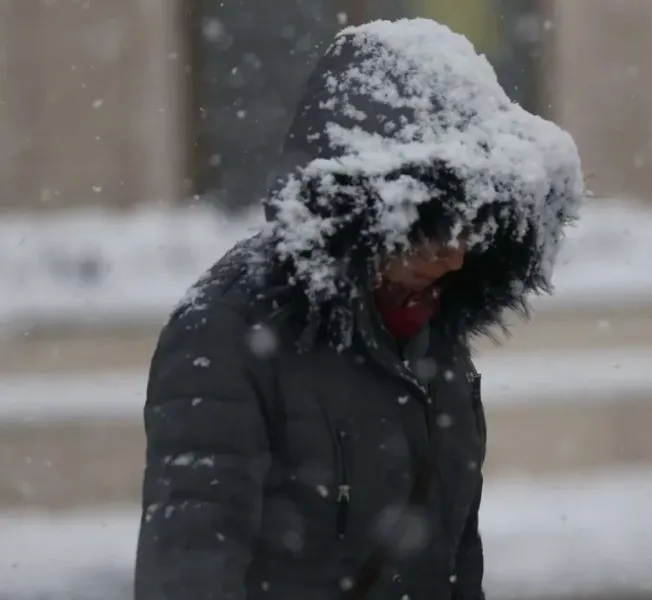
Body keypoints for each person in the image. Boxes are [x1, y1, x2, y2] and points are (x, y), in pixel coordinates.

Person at [134, 17, 583, 600]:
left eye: (472, 226)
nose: (452, 256)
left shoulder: (432, 332)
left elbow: (455, 557)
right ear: (359, 214)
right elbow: (191, 559)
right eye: (426, 227)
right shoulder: (222, 332)